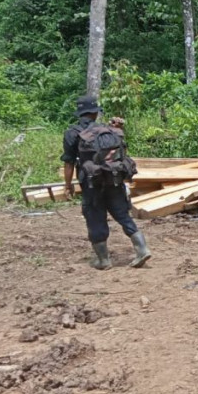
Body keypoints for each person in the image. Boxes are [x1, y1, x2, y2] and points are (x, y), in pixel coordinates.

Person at [62, 95, 151, 270]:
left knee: (95, 217)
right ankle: (142, 249)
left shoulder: (72, 133)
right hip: (114, 179)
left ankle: (103, 260)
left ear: (80, 114)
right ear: (95, 113)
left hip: (91, 183)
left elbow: (68, 162)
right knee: (122, 214)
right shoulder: (109, 130)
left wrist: (68, 185)